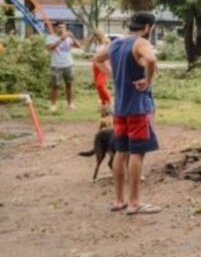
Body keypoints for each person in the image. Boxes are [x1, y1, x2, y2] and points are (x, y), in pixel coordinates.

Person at [93, 11, 161, 215]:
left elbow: (97, 59)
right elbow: (151, 60)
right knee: (137, 152)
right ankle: (135, 203)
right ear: (148, 27)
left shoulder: (116, 43)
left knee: (121, 152)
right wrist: (147, 80)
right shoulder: (141, 43)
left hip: (120, 108)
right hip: (138, 108)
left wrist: (112, 74)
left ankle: (118, 200)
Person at [46, 21, 81, 111]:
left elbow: (78, 46)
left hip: (68, 64)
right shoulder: (50, 37)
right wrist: (61, 39)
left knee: (69, 85)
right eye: (60, 27)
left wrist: (72, 37)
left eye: (64, 27)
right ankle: (53, 105)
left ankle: (70, 104)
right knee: (55, 86)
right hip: (56, 65)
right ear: (55, 28)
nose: (62, 29)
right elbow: (50, 47)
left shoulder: (68, 38)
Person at [90, 30, 112, 109]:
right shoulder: (94, 43)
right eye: (95, 35)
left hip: (104, 63)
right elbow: (93, 54)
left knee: (100, 84)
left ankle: (109, 101)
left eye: (97, 35)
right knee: (97, 85)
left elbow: (109, 53)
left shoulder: (107, 42)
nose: (96, 37)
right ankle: (103, 103)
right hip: (95, 63)